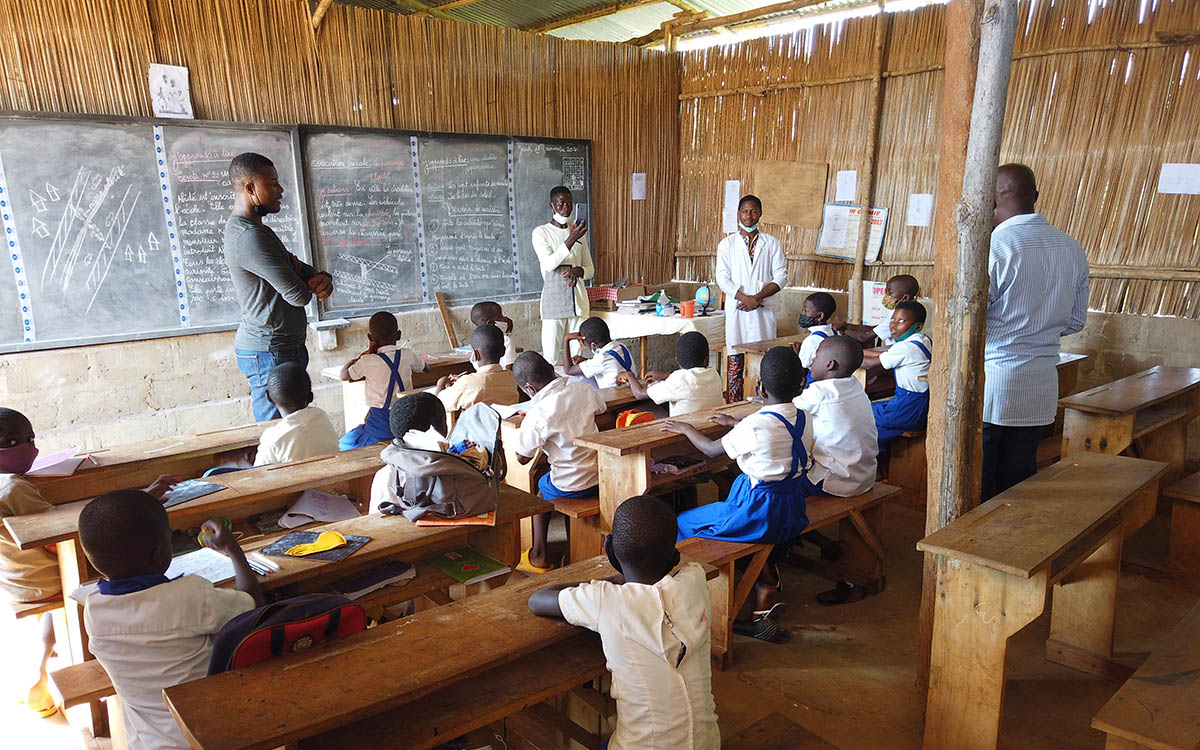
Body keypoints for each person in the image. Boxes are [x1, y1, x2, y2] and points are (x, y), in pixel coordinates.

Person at [0, 409, 175, 717]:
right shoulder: (13, 488)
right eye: (25, 441)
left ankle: (38, 675)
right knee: (126, 557)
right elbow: (58, 542)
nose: (33, 448)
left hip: (16, 577)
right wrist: (139, 500)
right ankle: (113, 660)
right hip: (46, 578)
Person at [528, 494, 719, 750]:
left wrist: (606, 582)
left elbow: (538, 600)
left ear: (609, 549)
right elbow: (672, 574)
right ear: (674, 554)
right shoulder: (695, 579)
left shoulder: (606, 600)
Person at [79, 490, 262, 750]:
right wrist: (233, 549)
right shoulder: (190, 595)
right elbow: (252, 604)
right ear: (158, 554)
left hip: (148, 740)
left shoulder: (94, 609)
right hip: (208, 732)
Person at [663, 346, 813, 642]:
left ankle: (682, 601)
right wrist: (736, 425)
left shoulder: (757, 425)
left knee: (683, 523)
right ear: (801, 383)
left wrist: (686, 428)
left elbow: (709, 451)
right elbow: (774, 430)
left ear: (759, 386)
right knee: (737, 528)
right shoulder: (804, 417)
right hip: (792, 509)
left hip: (758, 512)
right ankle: (765, 583)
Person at [983, 164, 1089, 499]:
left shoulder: (994, 247)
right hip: (1041, 381)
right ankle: (1013, 548)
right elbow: (1075, 321)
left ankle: (972, 549)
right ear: (1036, 196)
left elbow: (969, 320)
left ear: (990, 199)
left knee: (980, 482)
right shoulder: (1071, 248)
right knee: (1019, 482)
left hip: (994, 381)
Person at [225, 152, 333, 423]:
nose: (280, 189)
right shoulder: (249, 237)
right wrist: (299, 277)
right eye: (272, 183)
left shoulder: (260, 231)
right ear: (250, 188)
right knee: (277, 432)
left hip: (282, 347)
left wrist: (321, 277)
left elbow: (300, 270)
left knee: (294, 429)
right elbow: (297, 295)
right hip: (269, 352)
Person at [511, 352, 606, 573]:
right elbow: (601, 409)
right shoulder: (582, 389)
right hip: (599, 476)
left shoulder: (538, 413)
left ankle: (538, 555)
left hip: (570, 485)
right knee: (556, 481)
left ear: (530, 389)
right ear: (552, 371)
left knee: (540, 493)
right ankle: (571, 550)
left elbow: (522, 457)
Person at [716, 195, 787, 401]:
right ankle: (735, 402)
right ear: (738, 213)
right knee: (735, 354)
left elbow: (781, 276)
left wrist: (757, 297)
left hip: (763, 308)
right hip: (737, 307)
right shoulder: (726, 245)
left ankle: (761, 400)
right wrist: (744, 297)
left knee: (763, 354)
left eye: (753, 211)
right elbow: (722, 277)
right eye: (745, 211)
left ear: (760, 213)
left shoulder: (772, 243)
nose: (749, 215)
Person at [338, 311, 426, 449]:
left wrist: (354, 360)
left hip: (380, 426)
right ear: (399, 335)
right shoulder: (407, 354)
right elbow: (424, 368)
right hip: (407, 420)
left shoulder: (367, 361)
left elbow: (344, 375)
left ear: (370, 338)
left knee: (345, 444)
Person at [532, 186, 594, 366]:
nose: (565, 208)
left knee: (578, 354)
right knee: (551, 355)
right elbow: (550, 264)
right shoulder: (541, 232)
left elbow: (590, 269)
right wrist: (571, 238)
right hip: (554, 299)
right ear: (552, 206)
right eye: (560, 204)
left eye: (569, 203)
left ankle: (576, 389)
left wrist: (579, 271)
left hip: (578, 299)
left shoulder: (578, 233)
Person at [862, 301, 932, 451]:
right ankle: (881, 460)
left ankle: (873, 459)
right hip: (920, 405)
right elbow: (885, 354)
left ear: (918, 326)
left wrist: (843, 355)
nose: (893, 325)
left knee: (862, 417)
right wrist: (859, 351)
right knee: (868, 409)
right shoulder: (923, 340)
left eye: (901, 321)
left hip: (908, 409)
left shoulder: (906, 347)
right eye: (892, 319)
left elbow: (870, 364)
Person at [253, 362, 339, 466]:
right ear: (311, 397)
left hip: (296, 481)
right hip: (335, 479)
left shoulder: (273, 438)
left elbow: (258, 472)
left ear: (269, 399)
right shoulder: (321, 416)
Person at [622, 331, 723, 416]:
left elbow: (639, 394)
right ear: (707, 359)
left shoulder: (678, 380)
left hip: (683, 434)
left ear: (677, 361)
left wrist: (629, 374)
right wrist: (665, 376)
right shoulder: (714, 375)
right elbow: (690, 381)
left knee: (645, 408)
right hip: (710, 430)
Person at [433, 325, 519, 413]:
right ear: (503, 351)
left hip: (475, 426)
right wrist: (462, 381)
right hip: (505, 425)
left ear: (475, 354)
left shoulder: (466, 384)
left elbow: (437, 404)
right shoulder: (511, 378)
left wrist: (441, 383)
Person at [834, 274, 920, 346]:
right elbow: (875, 329)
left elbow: (864, 337)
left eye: (890, 292)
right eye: (886, 292)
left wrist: (842, 330)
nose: (886, 295)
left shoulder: (899, 315)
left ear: (905, 298)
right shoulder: (906, 310)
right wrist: (846, 325)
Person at [561, 316, 635, 390]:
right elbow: (609, 361)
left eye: (585, 344)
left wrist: (566, 339)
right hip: (631, 391)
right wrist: (585, 360)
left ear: (593, 345)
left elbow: (568, 370)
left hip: (613, 397)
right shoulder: (621, 346)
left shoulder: (601, 360)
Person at [795, 292, 837, 375]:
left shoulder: (811, 341)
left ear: (820, 316)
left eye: (806, 311)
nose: (803, 314)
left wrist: (797, 356)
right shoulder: (834, 333)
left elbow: (802, 370)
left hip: (814, 383)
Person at [469, 301, 517, 369]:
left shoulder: (475, 341)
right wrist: (507, 335)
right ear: (491, 322)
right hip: (503, 378)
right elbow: (510, 367)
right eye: (501, 317)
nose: (504, 319)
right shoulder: (505, 340)